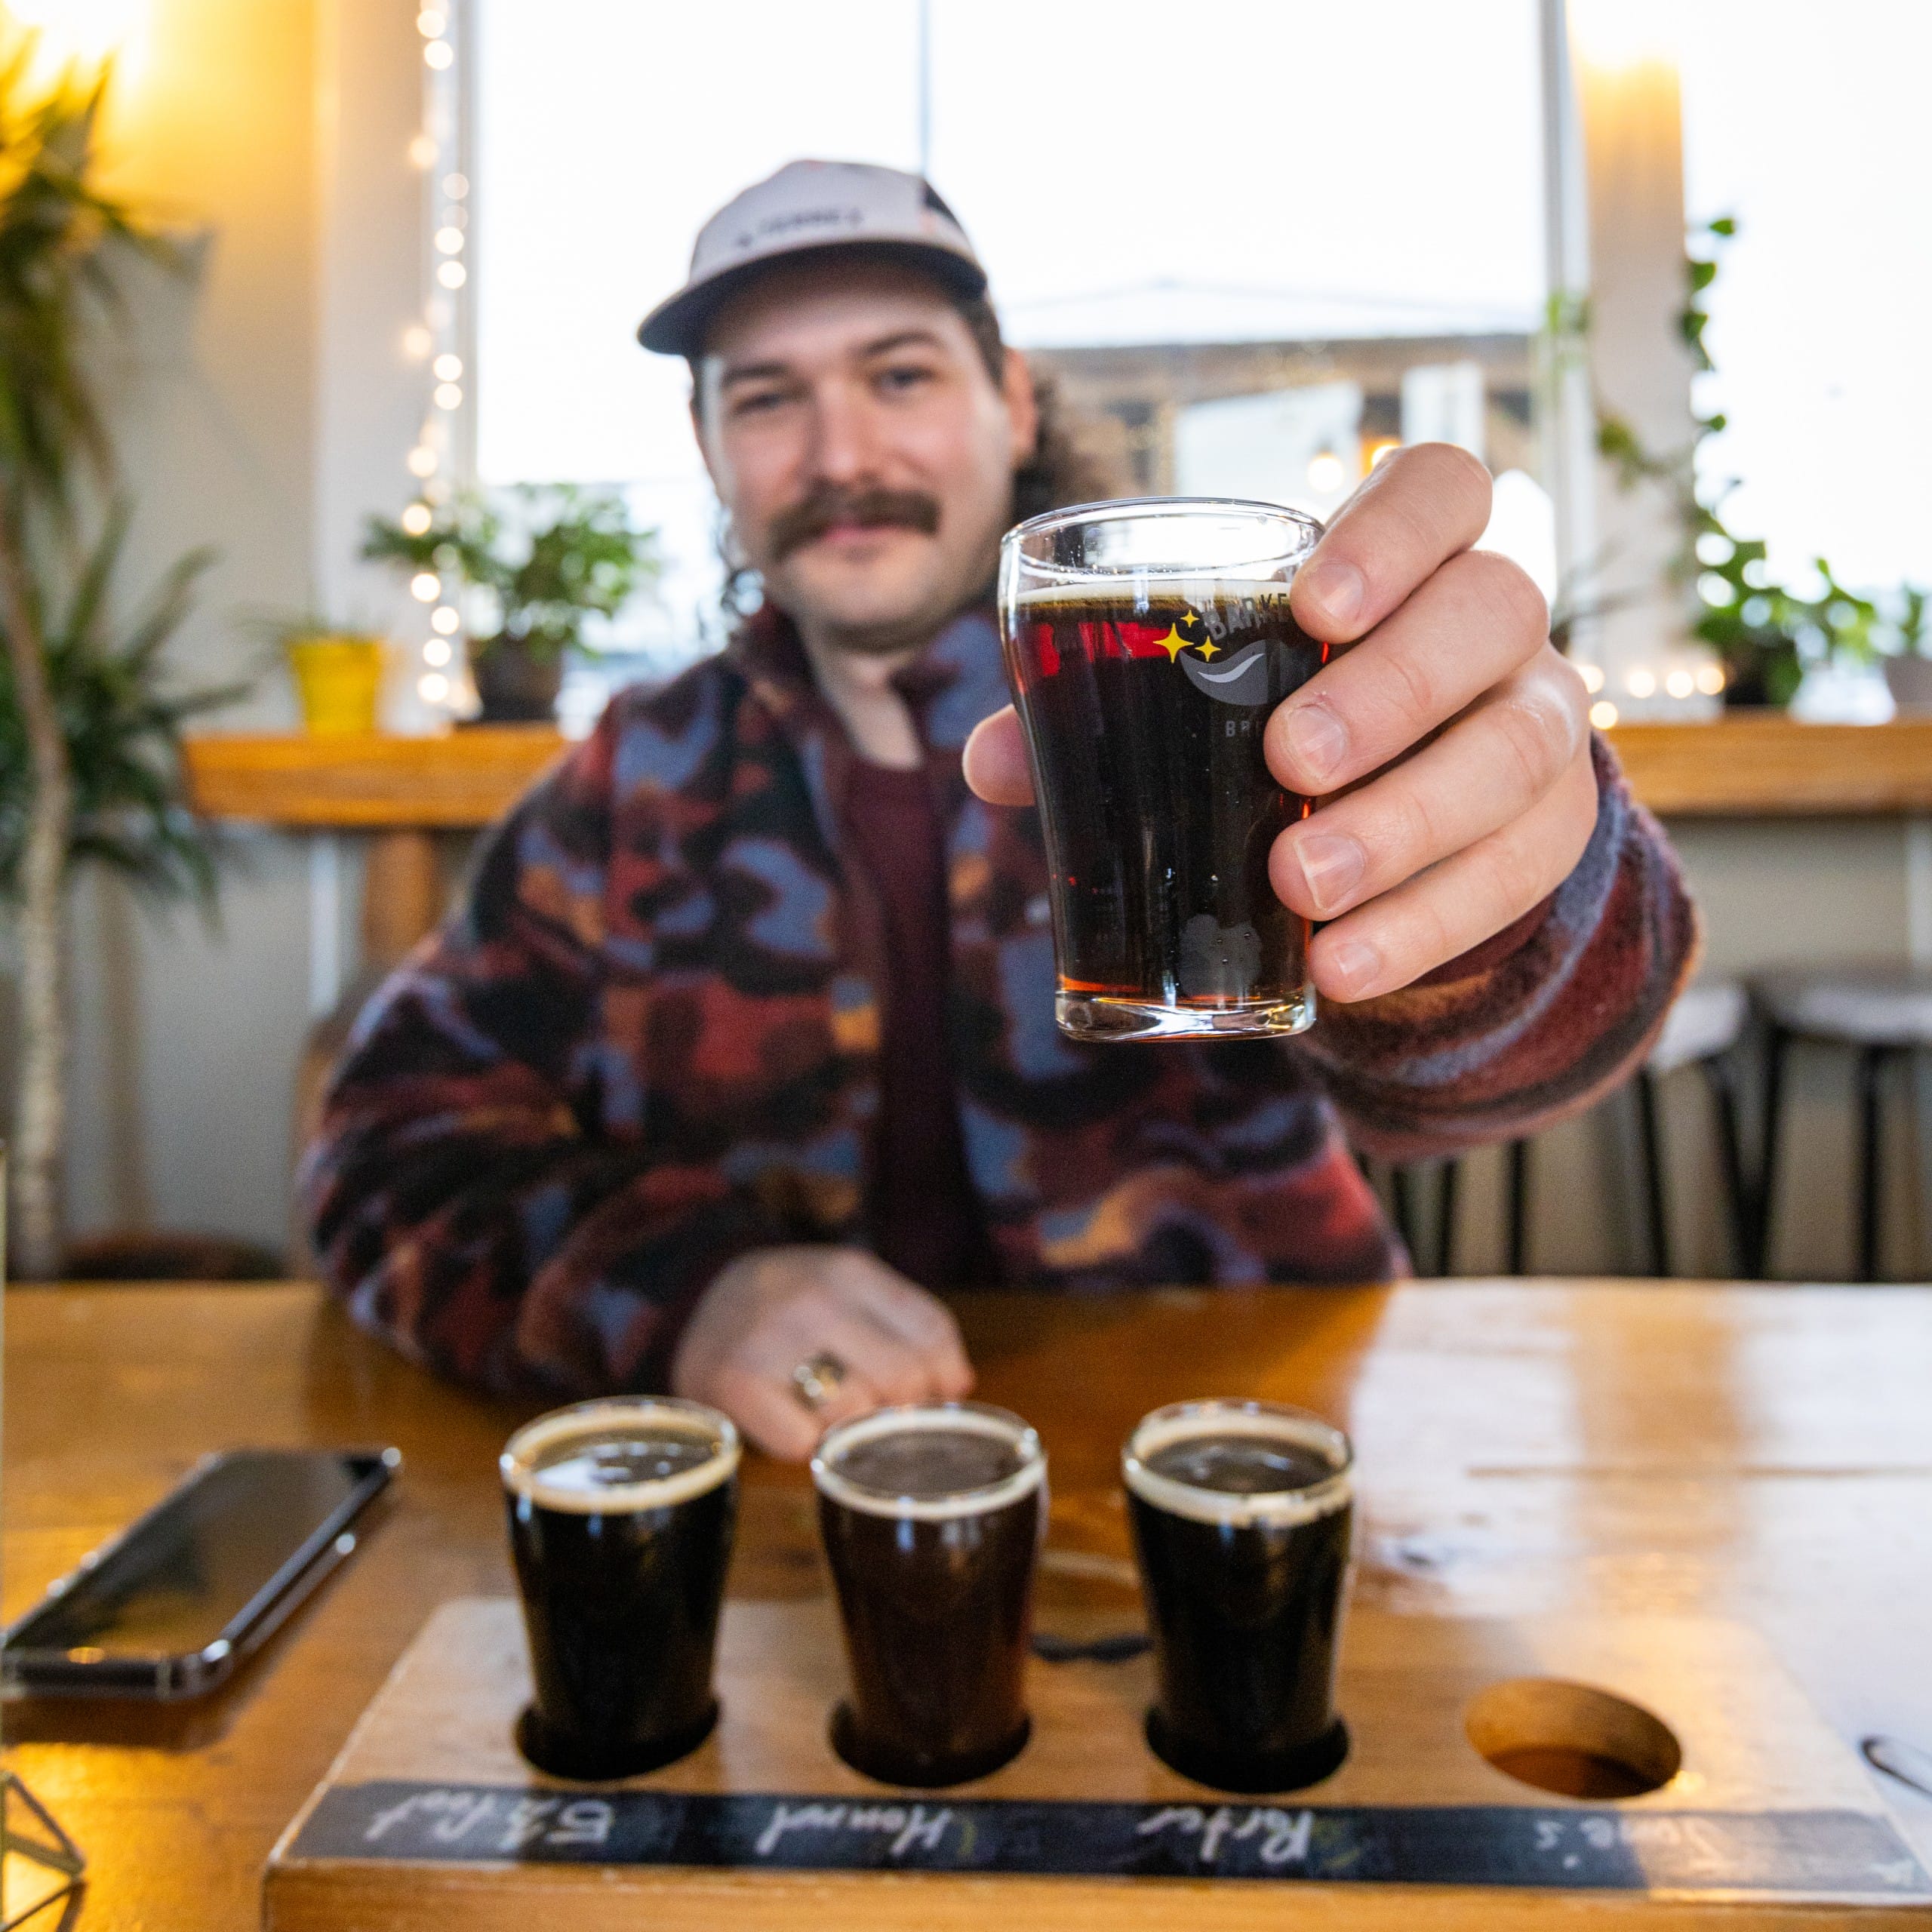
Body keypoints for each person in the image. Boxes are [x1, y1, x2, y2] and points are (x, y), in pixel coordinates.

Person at [305, 161, 1695, 1459]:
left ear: (1014, 403)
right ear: (709, 447)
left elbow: (1530, 1059)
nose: (840, 451)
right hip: (795, 1538)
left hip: (1248, 1472)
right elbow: (382, 1154)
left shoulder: (1224, 696)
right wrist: (688, 1291)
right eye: (769, 398)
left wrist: (1480, 911)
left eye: (898, 375)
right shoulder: (627, 788)